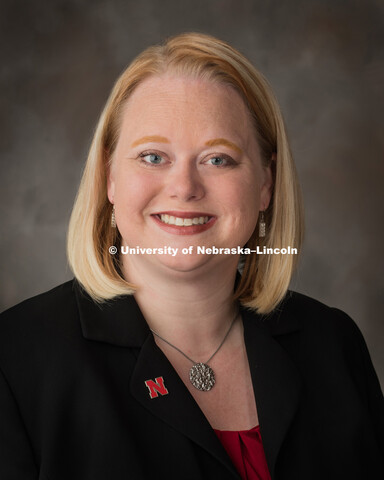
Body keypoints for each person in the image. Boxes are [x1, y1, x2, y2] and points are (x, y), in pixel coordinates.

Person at [0, 32, 383, 480]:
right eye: (152, 156)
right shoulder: (14, 361)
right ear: (109, 178)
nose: (184, 187)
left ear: (265, 184)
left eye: (218, 159)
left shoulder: (333, 344)